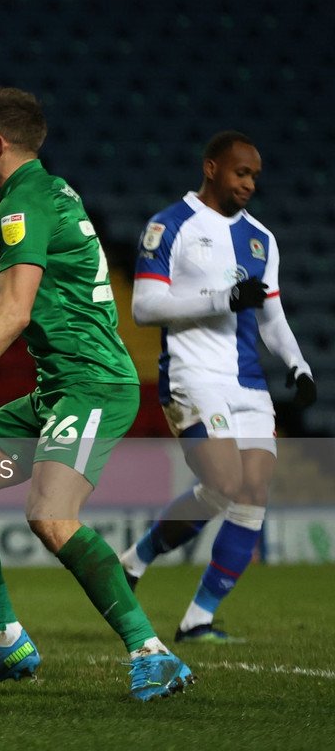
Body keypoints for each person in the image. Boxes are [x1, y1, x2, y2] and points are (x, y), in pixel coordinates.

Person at [0, 87, 194, 701]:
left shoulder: (24, 204)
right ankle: (3, 642)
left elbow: (15, 312)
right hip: (60, 389)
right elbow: (1, 297)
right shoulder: (43, 192)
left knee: (51, 517)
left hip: (94, 384)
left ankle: (152, 653)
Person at [118, 132, 315, 642]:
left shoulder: (261, 239)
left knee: (252, 492)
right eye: (240, 173)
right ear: (211, 168)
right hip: (191, 376)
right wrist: (221, 298)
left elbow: (271, 315)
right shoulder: (169, 225)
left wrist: (297, 365)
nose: (249, 184)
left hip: (247, 383)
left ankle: (197, 617)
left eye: (254, 176)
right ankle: (138, 558)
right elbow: (144, 308)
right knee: (225, 482)